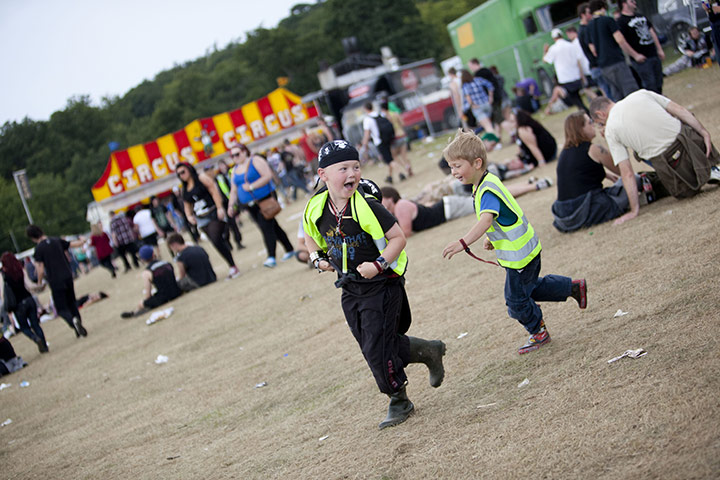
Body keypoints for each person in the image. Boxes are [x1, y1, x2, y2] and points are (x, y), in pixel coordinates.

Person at [303, 140, 446, 430]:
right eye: (343, 168)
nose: (352, 173)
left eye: (356, 166)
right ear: (323, 174)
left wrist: (377, 264)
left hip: (383, 283)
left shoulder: (368, 205)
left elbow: (398, 238)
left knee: (375, 347)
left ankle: (399, 399)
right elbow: (309, 233)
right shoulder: (317, 207)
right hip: (350, 287)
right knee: (373, 343)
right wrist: (319, 259)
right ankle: (429, 350)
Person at [441, 131, 587, 355]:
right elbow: (503, 216)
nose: (453, 172)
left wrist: (464, 242)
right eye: (451, 166)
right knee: (531, 288)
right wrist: (492, 238)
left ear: (477, 162)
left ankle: (538, 332)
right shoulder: (485, 183)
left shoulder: (486, 189)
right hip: (524, 253)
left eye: (458, 166)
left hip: (521, 256)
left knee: (516, 301)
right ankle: (573, 287)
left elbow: (487, 218)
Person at [589, 93, 720, 225]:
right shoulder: (640, 94)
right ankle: (708, 166)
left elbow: (627, 173)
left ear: (600, 114)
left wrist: (634, 210)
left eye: (600, 124)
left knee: (683, 191)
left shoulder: (611, 130)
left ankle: (704, 173)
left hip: (672, 162)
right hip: (692, 143)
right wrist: (703, 132)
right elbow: (680, 111)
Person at [551, 112, 642, 232]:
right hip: (588, 209)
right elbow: (624, 172)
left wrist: (605, 175)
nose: (593, 125)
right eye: (589, 123)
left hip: (564, 217)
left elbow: (578, 176)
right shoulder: (594, 149)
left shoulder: (564, 153)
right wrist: (611, 138)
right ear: (580, 129)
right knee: (636, 179)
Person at [381, 178, 553, 238]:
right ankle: (529, 183)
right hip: (448, 207)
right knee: (492, 198)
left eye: (382, 201)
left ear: (390, 198)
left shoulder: (400, 206)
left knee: (493, 200)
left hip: (450, 208)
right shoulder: (401, 206)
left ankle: (534, 186)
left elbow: (406, 232)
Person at [228, 144, 295, 268]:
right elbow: (233, 189)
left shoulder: (255, 160)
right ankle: (289, 248)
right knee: (273, 226)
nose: (235, 157)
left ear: (244, 152)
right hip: (249, 204)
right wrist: (230, 205)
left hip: (264, 199)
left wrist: (252, 186)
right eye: (232, 155)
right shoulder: (235, 170)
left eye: (237, 154)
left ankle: (271, 256)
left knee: (266, 227)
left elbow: (267, 176)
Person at [176, 161, 241, 278]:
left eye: (183, 172)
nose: (182, 175)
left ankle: (227, 240)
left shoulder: (201, 178)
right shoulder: (184, 188)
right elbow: (187, 204)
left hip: (212, 211)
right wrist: (189, 216)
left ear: (189, 169)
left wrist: (220, 207)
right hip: (201, 217)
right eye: (179, 174)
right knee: (216, 242)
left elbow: (214, 191)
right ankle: (232, 265)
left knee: (216, 238)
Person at [26, 225, 88, 338]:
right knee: (72, 303)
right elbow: (73, 245)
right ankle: (78, 327)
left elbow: (40, 269)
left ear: (32, 237)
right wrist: (83, 240)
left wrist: (39, 283)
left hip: (55, 280)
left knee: (61, 308)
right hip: (68, 275)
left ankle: (73, 323)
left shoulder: (39, 249)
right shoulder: (56, 240)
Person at [587, 0, 643, 101]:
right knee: (631, 91)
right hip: (616, 61)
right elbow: (620, 40)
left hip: (604, 66)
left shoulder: (589, 27)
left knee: (617, 95)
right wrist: (634, 55)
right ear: (603, 8)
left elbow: (593, 50)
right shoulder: (608, 20)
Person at [1, 252, 48, 353]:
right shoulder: (20, 270)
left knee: (24, 327)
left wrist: (8, 310)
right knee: (36, 324)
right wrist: (39, 286)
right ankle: (44, 346)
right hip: (29, 299)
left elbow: (3, 294)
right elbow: (29, 285)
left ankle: (35, 338)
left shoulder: (3, 275)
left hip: (18, 305)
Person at [617, 0, 664, 94]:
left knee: (659, 83)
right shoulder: (621, 21)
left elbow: (651, 32)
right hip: (641, 60)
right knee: (650, 86)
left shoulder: (640, 16)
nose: (634, 2)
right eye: (631, 1)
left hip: (653, 54)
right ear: (624, 3)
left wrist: (659, 49)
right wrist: (635, 55)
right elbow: (622, 41)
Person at [121, 245, 182, 318]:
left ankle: (135, 313)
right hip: (177, 291)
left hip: (164, 297)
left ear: (142, 259)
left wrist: (146, 301)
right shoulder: (166, 263)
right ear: (153, 254)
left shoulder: (147, 272)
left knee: (142, 303)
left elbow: (148, 295)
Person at [543, 28, 589, 113]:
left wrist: (545, 51)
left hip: (565, 78)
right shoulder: (570, 45)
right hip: (575, 75)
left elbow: (545, 60)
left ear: (554, 38)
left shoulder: (554, 48)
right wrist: (581, 75)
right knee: (578, 97)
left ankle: (586, 113)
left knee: (575, 99)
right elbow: (578, 61)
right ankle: (585, 113)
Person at [360, 102, 403, 184]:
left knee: (389, 160)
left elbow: (367, 134)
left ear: (365, 109)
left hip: (379, 142)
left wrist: (364, 144)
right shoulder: (380, 114)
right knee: (388, 158)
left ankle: (400, 173)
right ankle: (389, 177)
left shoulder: (367, 119)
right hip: (387, 139)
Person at [577, 2, 613, 99]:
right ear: (583, 15)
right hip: (597, 66)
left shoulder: (582, 30)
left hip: (595, 67)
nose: (591, 14)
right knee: (610, 93)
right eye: (589, 12)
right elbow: (593, 49)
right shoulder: (584, 30)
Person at [213, 159, 245, 250]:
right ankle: (228, 244)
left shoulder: (230, 172)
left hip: (230, 201)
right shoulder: (217, 178)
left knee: (233, 224)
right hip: (223, 204)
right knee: (226, 226)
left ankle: (238, 242)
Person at [380, 102, 413, 178]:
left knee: (394, 156)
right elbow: (402, 123)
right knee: (404, 155)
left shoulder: (386, 117)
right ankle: (409, 168)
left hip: (394, 138)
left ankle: (405, 167)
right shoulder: (395, 114)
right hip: (402, 135)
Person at [460, 69, 495, 135]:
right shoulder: (478, 79)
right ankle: (494, 141)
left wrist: (472, 105)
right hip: (486, 104)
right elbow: (490, 85)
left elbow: (468, 98)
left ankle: (494, 141)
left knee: (487, 126)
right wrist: (490, 97)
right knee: (489, 124)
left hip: (477, 107)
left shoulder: (465, 85)